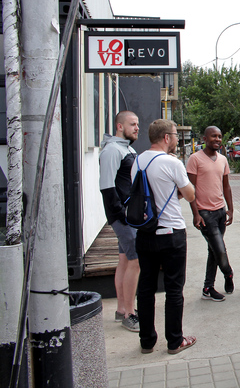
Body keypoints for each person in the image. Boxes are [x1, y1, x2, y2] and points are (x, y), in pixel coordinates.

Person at [133, 119, 196, 355]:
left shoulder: (137, 161)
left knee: (146, 288)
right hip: (171, 234)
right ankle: (175, 340)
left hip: (145, 233)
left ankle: (147, 340)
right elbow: (190, 195)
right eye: (174, 135)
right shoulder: (172, 163)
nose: (177, 140)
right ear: (166, 137)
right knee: (173, 288)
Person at [99, 110, 140, 332]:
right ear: (119, 126)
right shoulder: (112, 151)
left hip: (128, 216)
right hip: (123, 218)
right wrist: (121, 215)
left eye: (137, 124)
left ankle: (121, 309)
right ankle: (130, 314)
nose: (137, 128)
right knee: (135, 261)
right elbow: (107, 187)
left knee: (124, 260)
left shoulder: (127, 148)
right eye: (132, 124)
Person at [187, 126, 235, 302]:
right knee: (219, 250)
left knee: (213, 250)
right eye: (214, 136)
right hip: (204, 213)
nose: (217, 139)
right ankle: (228, 273)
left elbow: (226, 186)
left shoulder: (222, 159)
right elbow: (190, 189)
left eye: (220, 136)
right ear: (204, 138)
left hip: (220, 211)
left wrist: (230, 209)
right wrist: (195, 214)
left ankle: (208, 287)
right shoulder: (195, 159)